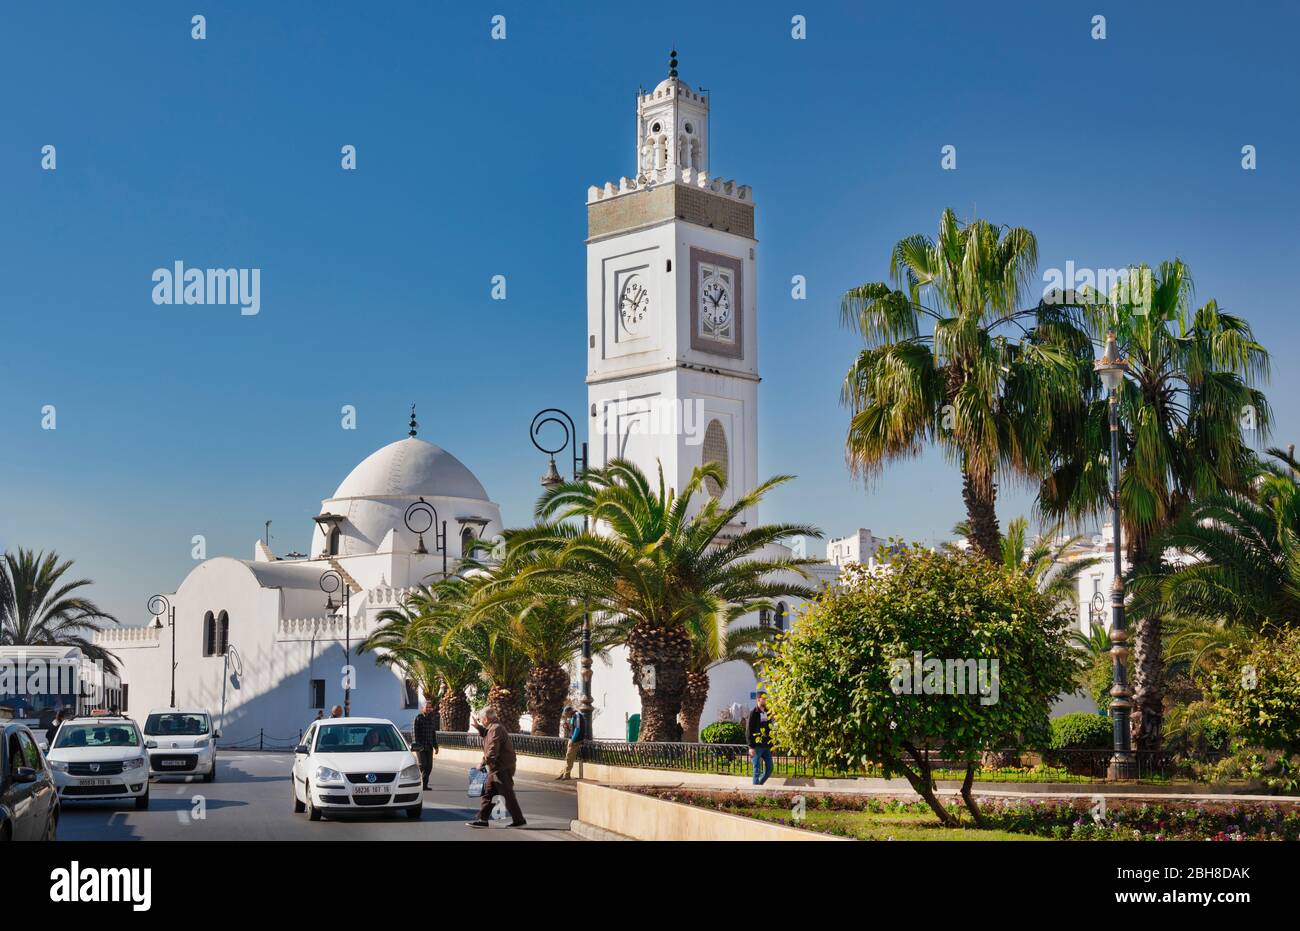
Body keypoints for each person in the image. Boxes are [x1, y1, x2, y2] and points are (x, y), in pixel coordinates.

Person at [467, 707, 525, 828]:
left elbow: (493, 749)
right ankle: (483, 820)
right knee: (488, 793)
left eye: (481, 719)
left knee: (507, 794)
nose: (481, 721)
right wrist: (478, 727)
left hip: (502, 767)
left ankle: (519, 820)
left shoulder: (496, 729)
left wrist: (482, 763)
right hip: (496, 767)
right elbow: (487, 734)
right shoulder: (492, 728)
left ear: (486, 719)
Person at [747, 690, 774, 785]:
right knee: (756, 770)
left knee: (770, 768)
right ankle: (755, 791)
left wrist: (772, 744)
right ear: (759, 699)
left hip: (766, 746)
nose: (766, 700)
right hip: (756, 746)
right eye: (764, 698)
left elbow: (770, 729)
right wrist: (751, 747)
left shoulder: (768, 712)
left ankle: (759, 786)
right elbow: (749, 730)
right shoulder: (753, 713)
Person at [411, 700, 440, 790]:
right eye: (426, 707)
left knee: (429, 766)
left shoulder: (431, 718)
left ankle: (424, 785)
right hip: (420, 746)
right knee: (422, 765)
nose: (428, 709)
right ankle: (417, 782)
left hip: (429, 746)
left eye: (429, 707)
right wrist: (417, 745)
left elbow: (433, 733)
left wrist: (436, 746)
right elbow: (414, 732)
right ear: (422, 708)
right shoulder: (418, 718)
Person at [556, 705, 586, 781]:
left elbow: (578, 729)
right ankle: (563, 773)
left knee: (569, 756)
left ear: (569, 711)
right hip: (572, 738)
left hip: (576, 740)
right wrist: (567, 728)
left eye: (566, 714)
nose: (566, 716)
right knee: (568, 756)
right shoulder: (573, 717)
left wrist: (573, 740)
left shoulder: (577, 715)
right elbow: (573, 729)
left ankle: (566, 775)